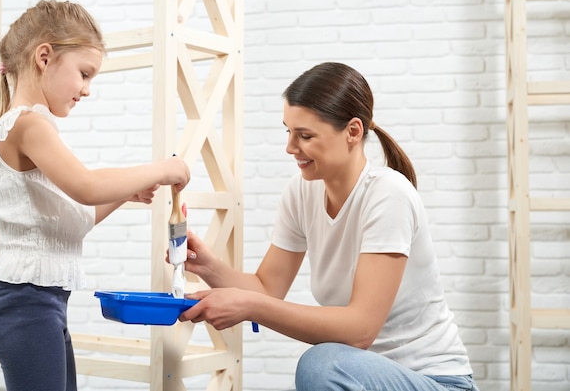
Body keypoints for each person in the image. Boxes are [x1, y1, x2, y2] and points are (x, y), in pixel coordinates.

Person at [178, 62, 479, 391]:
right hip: (360, 379)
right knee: (325, 363)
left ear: (353, 132)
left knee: (322, 364)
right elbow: (266, 288)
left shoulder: (388, 194)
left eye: (305, 136)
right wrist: (207, 266)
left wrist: (251, 307)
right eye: (288, 132)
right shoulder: (301, 192)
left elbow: (360, 330)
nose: (290, 148)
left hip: (435, 382)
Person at [0, 0, 190, 391]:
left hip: (37, 304)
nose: (87, 90)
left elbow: (74, 217)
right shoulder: (29, 126)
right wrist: (163, 168)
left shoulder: (25, 128)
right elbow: (87, 187)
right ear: (44, 56)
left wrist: (125, 194)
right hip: (26, 306)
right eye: (84, 74)